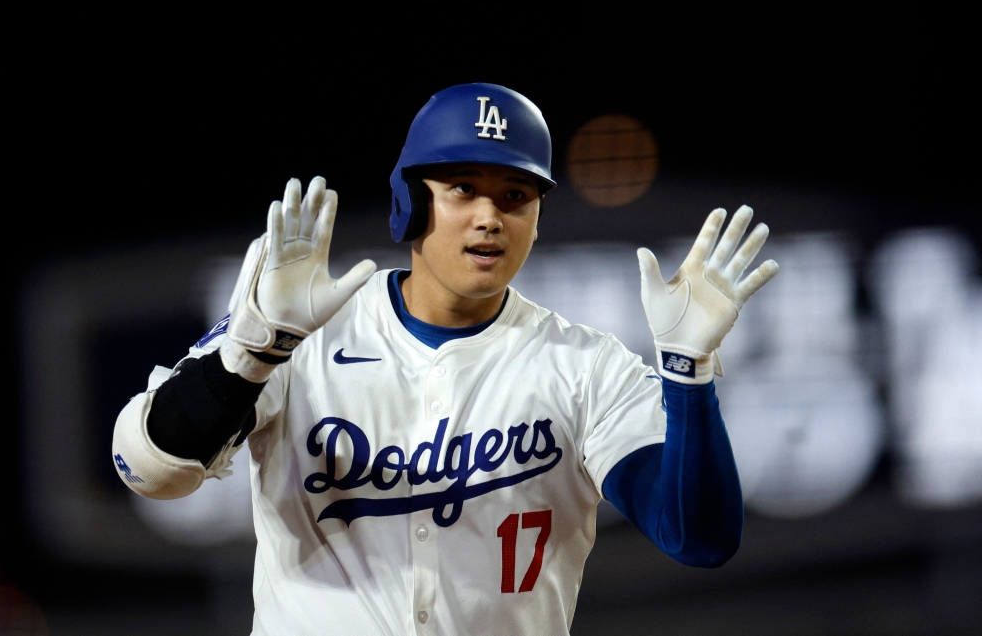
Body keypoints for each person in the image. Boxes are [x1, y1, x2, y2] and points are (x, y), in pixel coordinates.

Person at [112, 83, 779, 635]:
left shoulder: (584, 367)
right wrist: (250, 354)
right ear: (411, 200)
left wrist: (689, 370)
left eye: (515, 195)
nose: (490, 216)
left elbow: (698, 538)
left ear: (538, 217)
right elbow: (150, 468)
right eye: (463, 188)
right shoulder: (299, 328)